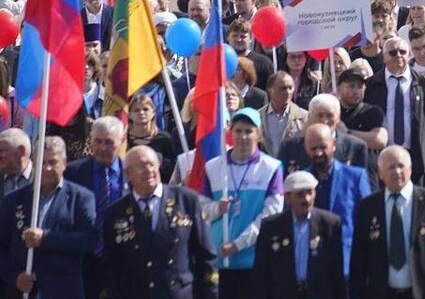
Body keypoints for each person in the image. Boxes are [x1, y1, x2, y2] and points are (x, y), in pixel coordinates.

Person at [102, 144, 218, 299]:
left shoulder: (186, 200)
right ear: (128, 174)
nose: (149, 170)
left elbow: (206, 256)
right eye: (141, 166)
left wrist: (210, 294)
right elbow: (111, 266)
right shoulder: (116, 212)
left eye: (152, 164)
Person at [199, 107, 284, 298]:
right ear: (231, 132)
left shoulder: (271, 168)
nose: (243, 136)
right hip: (220, 259)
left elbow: (270, 215)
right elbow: (201, 211)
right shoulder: (213, 167)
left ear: (259, 134)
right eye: (238, 130)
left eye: (248, 131)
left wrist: (238, 244)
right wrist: (217, 208)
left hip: (253, 260)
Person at [348, 145, 425, 299]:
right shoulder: (368, 207)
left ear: (410, 169)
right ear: (380, 174)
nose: (397, 172)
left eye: (401, 166)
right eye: (390, 167)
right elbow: (359, 260)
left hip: (421, 293)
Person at [0, 136, 96, 299]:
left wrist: (46, 238)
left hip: (63, 291)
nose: (46, 168)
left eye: (52, 162)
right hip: (22, 292)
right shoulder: (13, 200)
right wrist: (14, 276)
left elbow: (88, 240)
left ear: (64, 163)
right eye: (41, 162)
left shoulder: (81, 197)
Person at [363, 36, 425, 186]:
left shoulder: (424, 82)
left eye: (402, 51)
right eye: (393, 53)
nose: (399, 55)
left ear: (409, 55)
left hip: (417, 158)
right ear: (384, 57)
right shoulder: (371, 85)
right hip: (382, 157)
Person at [252, 170, 345, 299]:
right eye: (300, 195)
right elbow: (262, 271)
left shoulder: (330, 224)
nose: (306, 199)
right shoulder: (271, 226)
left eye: (309, 193)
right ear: (288, 197)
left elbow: (336, 272)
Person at [63, 116, 126, 298]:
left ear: (121, 140)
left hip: (121, 261)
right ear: (90, 140)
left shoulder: (131, 172)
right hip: (83, 261)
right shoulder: (72, 172)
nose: (102, 148)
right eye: (97, 141)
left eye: (109, 142)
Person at [303, 123, 370, 279]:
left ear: (333, 145)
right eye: (313, 148)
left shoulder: (356, 177)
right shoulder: (301, 181)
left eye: (323, 147)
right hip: (312, 265)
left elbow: (367, 218)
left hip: (347, 262)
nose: (318, 153)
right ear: (306, 148)